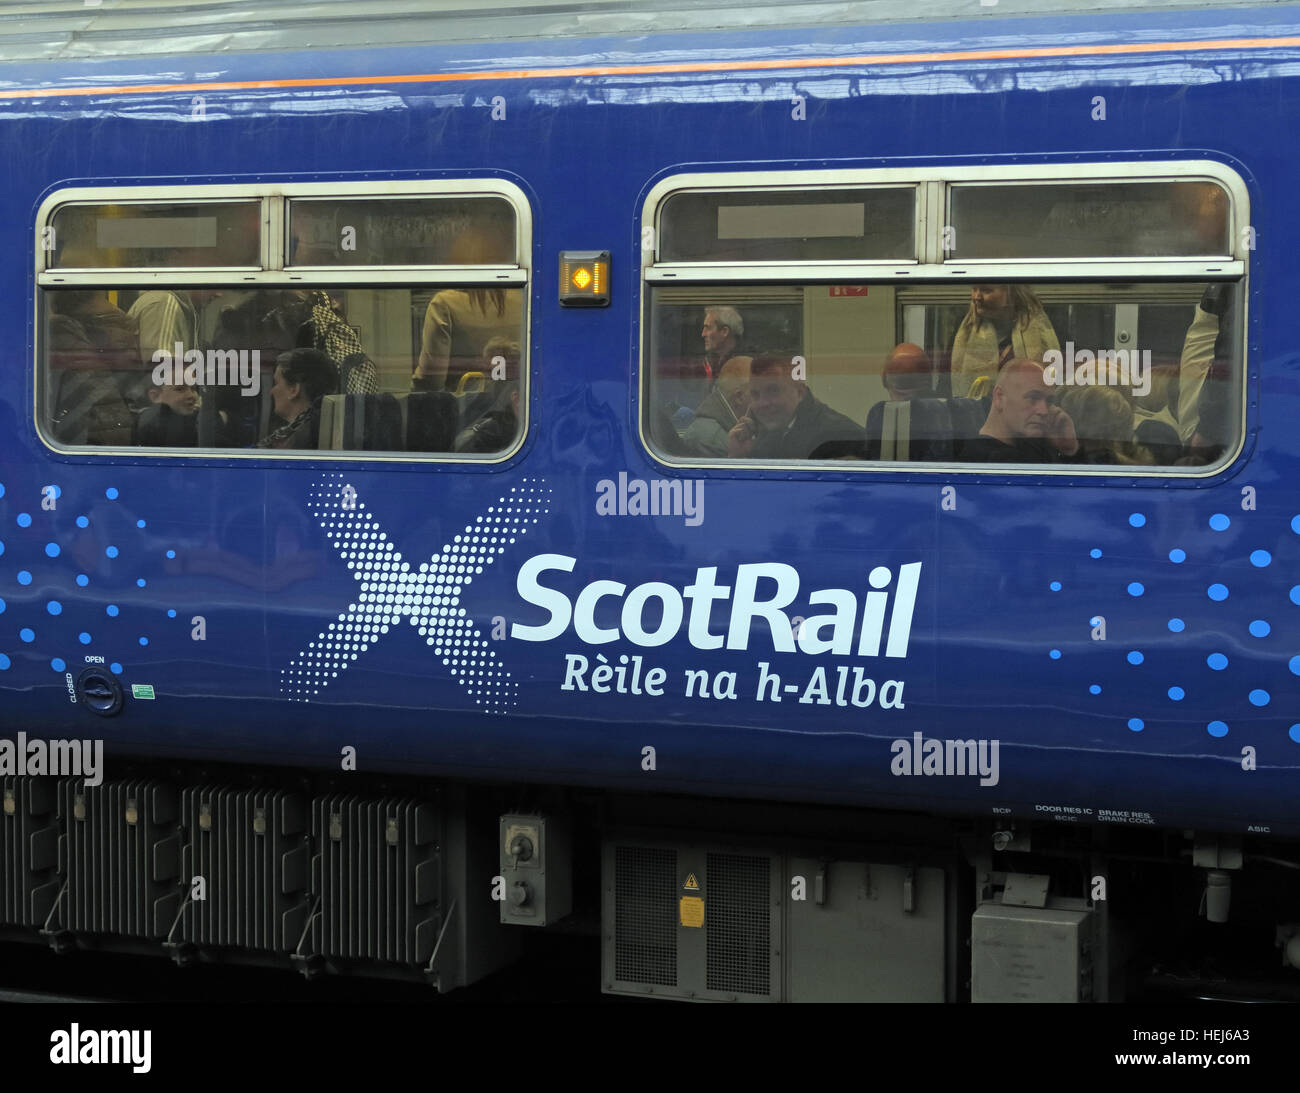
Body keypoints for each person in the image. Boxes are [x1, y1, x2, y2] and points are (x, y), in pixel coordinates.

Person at [413, 226, 522, 392]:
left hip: (465, 411)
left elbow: (431, 381)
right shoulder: (524, 299)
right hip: (516, 403)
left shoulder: (444, 305)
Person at [726, 352, 863, 459]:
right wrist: (740, 457)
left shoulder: (840, 438)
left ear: (800, 392)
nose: (762, 404)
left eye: (773, 391)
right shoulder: (767, 435)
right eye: (755, 395)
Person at [958, 359, 1079, 463]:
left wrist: (1067, 447)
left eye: (1048, 401)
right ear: (999, 397)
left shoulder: (1033, 447)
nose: (1044, 411)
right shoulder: (980, 462)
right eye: (1033, 398)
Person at [950, 285, 1059, 398]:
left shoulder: (1045, 328)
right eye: (974, 289)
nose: (976, 296)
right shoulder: (965, 331)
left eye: (986, 290)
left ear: (1011, 293)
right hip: (978, 412)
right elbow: (946, 384)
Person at [258, 348, 338, 449]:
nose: (271, 391)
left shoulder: (292, 444)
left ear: (294, 390)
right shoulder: (329, 430)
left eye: (276, 383)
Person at [680, 354, 751, 456]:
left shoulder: (726, 428)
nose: (764, 400)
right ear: (739, 397)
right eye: (756, 393)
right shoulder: (710, 439)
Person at [136, 381, 201, 446]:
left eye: (193, 389)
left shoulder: (200, 422)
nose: (191, 395)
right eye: (180, 389)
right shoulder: (146, 425)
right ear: (155, 396)